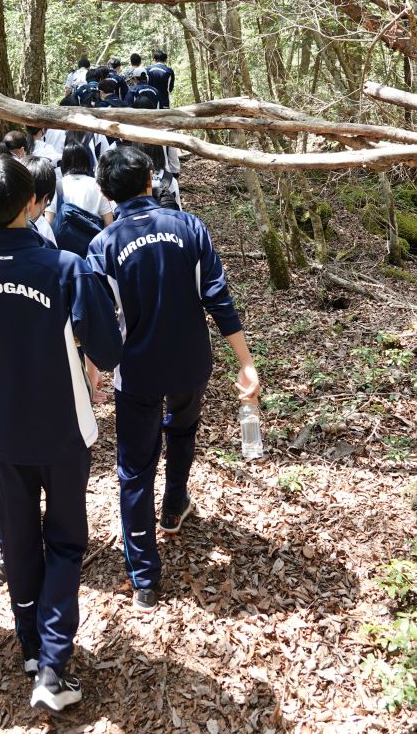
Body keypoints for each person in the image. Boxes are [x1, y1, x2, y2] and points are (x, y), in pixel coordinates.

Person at [0, 156, 121, 712]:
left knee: (18, 535)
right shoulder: (66, 267)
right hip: (63, 427)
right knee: (66, 541)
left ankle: (31, 644)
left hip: (2, 431)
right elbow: (107, 348)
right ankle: (52, 663)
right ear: (32, 202)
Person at [86, 147, 261, 613]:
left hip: (137, 371)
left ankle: (144, 578)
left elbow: (99, 319)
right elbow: (217, 296)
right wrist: (245, 362)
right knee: (182, 430)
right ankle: (174, 503)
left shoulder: (103, 245)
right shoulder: (189, 227)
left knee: (135, 468)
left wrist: (93, 369)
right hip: (189, 362)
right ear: (150, 179)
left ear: (106, 192)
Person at [45, 141, 113, 231]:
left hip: (63, 238)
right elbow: (109, 222)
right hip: (92, 237)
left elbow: (49, 221)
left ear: (64, 162)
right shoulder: (97, 185)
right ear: (87, 161)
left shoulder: (57, 186)